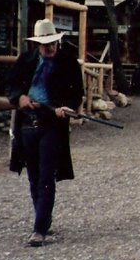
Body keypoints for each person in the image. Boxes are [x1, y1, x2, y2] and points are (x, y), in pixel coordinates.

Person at [6, 19, 84, 247]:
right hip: (28, 124)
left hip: (52, 124)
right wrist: (19, 98)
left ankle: (39, 228)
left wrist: (66, 107)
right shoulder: (25, 61)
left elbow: (76, 94)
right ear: (37, 45)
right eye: (44, 44)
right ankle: (44, 217)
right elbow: (11, 86)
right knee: (34, 175)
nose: (49, 48)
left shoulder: (68, 63)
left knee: (47, 175)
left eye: (52, 43)